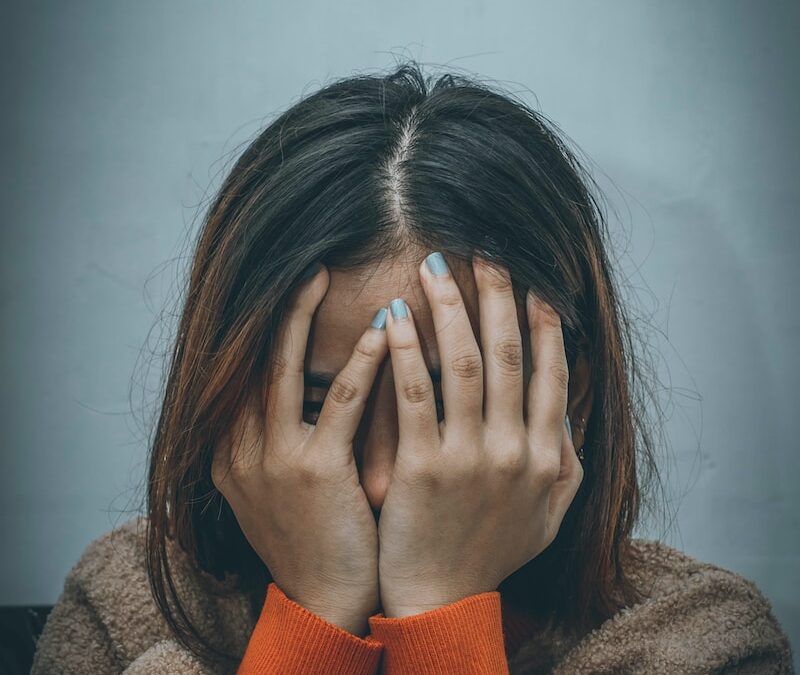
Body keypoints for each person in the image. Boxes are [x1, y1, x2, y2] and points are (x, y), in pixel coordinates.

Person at [31, 62, 794, 674]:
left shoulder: (701, 642)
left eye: (447, 406)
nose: (380, 481)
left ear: (572, 393)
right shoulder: (127, 605)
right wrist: (314, 617)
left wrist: (437, 613)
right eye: (322, 405)